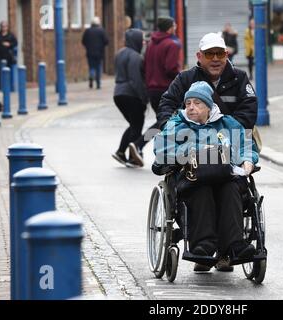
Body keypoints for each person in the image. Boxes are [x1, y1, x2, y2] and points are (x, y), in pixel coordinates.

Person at [155, 32, 258, 272]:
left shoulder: (236, 90)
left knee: (231, 187)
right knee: (200, 188)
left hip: (225, 167)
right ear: (199, 56)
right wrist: (183, 144)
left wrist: (246, 161)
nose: (215, 58)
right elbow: (163, 142)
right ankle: (203, 246)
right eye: (209, 54)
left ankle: (234, 246)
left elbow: (245, 139)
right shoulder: (184, 91)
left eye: (219, 53)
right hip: (193, 173)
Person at [128, 16, 181, 167]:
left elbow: (143, 66)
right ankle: (139, 145)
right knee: (168, 122)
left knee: (165, 123)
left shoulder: (151, 43)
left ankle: (163, 155)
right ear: (170, 27)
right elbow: (171, 68)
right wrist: (182, 78)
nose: (176, 26)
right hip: (167, 89)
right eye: (174, 24)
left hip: (152, 89)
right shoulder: (172, 44)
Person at [112, 29, 148, 166]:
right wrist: (144, 97)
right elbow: (136, 80)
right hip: (131, 95)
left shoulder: (119, 53)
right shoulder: (135, 57)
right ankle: (133, 158)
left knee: (134, 124)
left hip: (118, 93)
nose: (143, 42)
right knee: (137, 124)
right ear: (136, 40)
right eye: (142, 39)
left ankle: (121, 152)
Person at [82, 17, 109, 89]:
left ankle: (91, 75)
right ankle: (98, 83)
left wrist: (88, 47)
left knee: (91, 66)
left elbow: (83, 41)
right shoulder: (101, 31)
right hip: (99, 53)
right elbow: (106, 41)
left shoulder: (87, 31)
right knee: (98, 67)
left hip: (90, 53)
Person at [0, 21, 17, 89]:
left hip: (8, 57)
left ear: (7, 27)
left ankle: (9, 87)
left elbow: (15, 43)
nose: (4, 28)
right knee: (0, 72)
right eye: (3, 26)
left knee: (8, 72)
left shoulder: (10, 35)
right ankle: (1, 86)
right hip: (0, 56)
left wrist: (9, 44)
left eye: (5, 26)